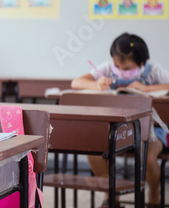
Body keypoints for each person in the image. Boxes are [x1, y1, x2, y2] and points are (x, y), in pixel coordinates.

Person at [72, 32, 169, 207]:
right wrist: (97, 85)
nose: (121, 71)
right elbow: (76, 83)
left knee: (146, 155)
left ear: (142, 62)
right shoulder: (108, 68)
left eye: (128, 68)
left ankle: (153, 192)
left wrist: (148, 89)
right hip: (117, 129)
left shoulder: (153, 70)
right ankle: (112, 194)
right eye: (118, 66)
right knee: (93, 152)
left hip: (152, 131)